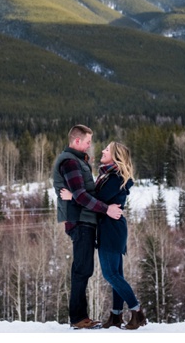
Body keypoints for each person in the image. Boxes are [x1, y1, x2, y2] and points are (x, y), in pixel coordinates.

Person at [61, 141, 147, 330]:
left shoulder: (115, 178)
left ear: (115, 156)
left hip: (111, 230)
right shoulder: (109, 176)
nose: (102, 150)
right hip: (111, 228)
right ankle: (116, 316)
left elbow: (96, 201)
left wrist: (72, 196)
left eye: (107, 149)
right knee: (117, 274)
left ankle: (137, 311)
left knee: (110, 274)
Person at [52, 124, 123, 330]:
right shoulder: (70, 163)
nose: (90, 146)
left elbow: (79, 193)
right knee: (82, 269)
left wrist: (74, 196)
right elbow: (82, 196)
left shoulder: (78, 161)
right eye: (87, 142)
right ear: (76, 141)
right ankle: (78, 318)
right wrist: (106, 209)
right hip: (80, 221)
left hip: (85, 220)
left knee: (84, 269)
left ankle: (80, 317)